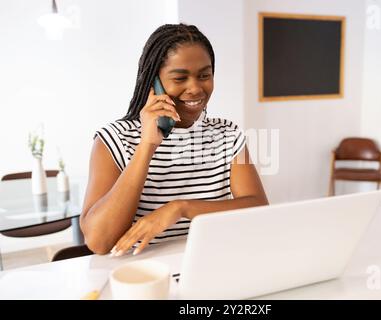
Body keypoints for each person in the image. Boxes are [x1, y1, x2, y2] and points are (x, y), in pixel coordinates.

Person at [80, 24, 268, 256]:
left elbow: (258, 209)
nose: (195, 88)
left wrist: (181, 208)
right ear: (153, 82)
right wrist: (147, 145)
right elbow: (99, 241)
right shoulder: (114, 139)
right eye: (180, 78)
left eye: (204, 76)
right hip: (143, 276)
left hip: (211, 265)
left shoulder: (228, 135)